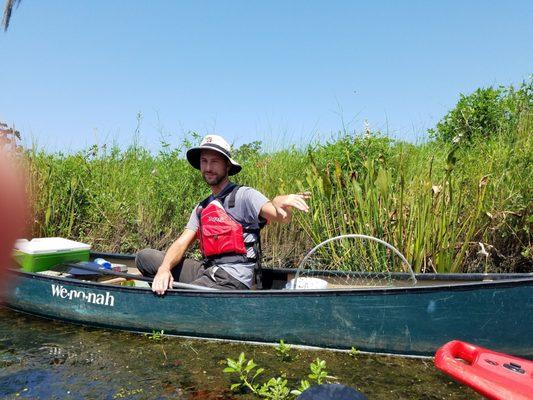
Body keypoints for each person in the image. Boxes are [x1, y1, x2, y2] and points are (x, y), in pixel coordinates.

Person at [136, 135, 309, 294]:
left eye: (214, 162)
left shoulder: (245, 195)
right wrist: (165, 268)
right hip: (208, 269)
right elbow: (182, 242)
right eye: (204, 161)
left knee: (189, 293)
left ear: (227, 165)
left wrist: (278, 201)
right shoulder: (202, 207)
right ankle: (169, 286)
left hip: (233, 278)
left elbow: (281, 216)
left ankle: (178, 299)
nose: (208, 168)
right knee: (145, 258)